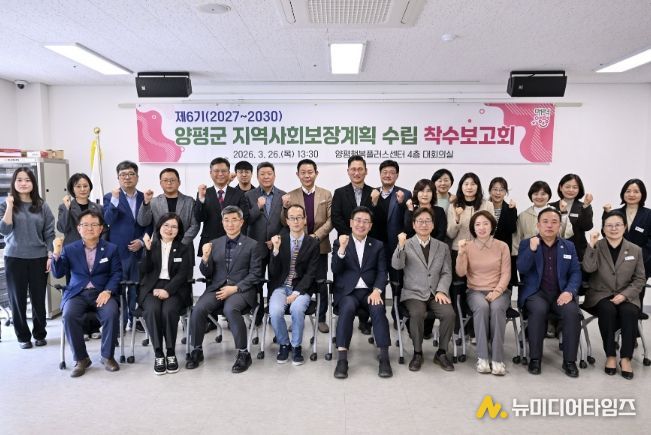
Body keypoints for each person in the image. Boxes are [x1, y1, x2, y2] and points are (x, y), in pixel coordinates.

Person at [186, 206, 262, 373]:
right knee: (198, 308)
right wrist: (205, 258)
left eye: (234, 220)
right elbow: (207, 273)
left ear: (241, 222)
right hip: (217, 288)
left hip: (241, 290)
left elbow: (256, 274)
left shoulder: (253, 245)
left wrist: (235, 288)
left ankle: (243, 353)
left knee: (230, 309)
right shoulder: (215, 243)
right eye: (226, 220)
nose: (230, 224)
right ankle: (197, 349)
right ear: (222, 222)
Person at [51, 210, 122, 377]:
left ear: (101, 228)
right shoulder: (70, 249)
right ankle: (81, 359)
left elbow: (117, 273)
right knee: (69, 315)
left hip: (102, 292)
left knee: (111, 313)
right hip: (77, 293)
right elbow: (58, 273)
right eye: (85, 225)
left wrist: (108, 291)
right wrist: (56, 252)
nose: (90, 228)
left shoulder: (111, 249)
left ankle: (107, 356)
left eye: (94, 225)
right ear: (79, 228)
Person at [517, 207, 582, 378]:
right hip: (536, 293)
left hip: (561, 293)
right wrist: (531, 250)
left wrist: (570, 291)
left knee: (572, 312)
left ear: (559, 226)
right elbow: (522, 268)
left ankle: (570, 361)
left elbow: (575, 272)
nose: (549, 225)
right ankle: (535, 358)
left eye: (554, 222)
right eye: (545, 222)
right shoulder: (527, 243)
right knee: (538, 310)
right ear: (538, 225)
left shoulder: (568, 246)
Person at [582, 211, 645, 380]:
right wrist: (591, 245)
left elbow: (640, 279)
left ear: (625, 227)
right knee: (607, 309)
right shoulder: (597, 246)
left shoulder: (635, 249)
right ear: (603, 228)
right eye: (609, 225)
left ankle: (625, 358)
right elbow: (588, 268)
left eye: (618, 225)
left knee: (629, 312)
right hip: (600, 295)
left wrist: (624, 295)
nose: (614, 228)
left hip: (627, 295)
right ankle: (610, 355)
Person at [331, 206, 392, 379]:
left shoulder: (377, 245)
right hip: (347, 293)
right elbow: (335, 269)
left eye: (366, 222)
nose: (361, 224)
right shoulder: (340, 242)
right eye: (358, 220)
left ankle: (384, 358)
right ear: (351, 223)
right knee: (347, 308)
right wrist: (342, 249)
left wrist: (377, 290)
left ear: (370, 226)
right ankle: (342, 359)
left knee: (378, 308)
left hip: (369, 292)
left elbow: (382, 272)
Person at [392, 207, 455, 372]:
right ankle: (417, 352)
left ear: (433, 225)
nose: (424, 224)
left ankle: (441, 353)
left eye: (428, 221)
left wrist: (441, 290)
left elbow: (447, 272)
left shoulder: (442, 247)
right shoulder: (406, 244)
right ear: (413, 225)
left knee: (449, 314)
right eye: (420, 221)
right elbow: (397, 265)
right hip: (413, 293)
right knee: (417, 313)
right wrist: (400, 246)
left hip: (435, 293)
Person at [0, 167, 55, 349]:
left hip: (39, 258)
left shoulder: (42, 205)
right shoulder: (6, 205)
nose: (23, 183)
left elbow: (49, 233)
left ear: (33, 183)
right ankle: (23, 336)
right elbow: (4, 230)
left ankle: (40, 333)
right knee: (17, 299)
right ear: (14, 183)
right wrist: (10, 206)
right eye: (19, 180)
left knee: (39, 298)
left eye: (27, 180)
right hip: (14, 258)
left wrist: (50, 254)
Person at [455, 210, 511, 376]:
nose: (482, 227)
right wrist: (461, 253)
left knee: (497, 308)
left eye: (485, 224)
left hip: (499, 291)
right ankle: (483, 357)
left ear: (492, 226)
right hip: (475, 291)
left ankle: (498, 359)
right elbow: (460, 272)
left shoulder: (502, 246)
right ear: (473, 228)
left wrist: (497, 292)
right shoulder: (468, 246)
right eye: (477, 224)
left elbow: (506, 273)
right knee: (482, 307)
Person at [281, 159, 333, 333]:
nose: (307, 175)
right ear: (298, 174)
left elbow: (331, 220)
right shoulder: (290, 196)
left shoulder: (326, 194)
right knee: (297, 281)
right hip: (297, 247)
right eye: (303, 172)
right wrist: (284, 207)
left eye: (310, 172)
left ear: (316, 173)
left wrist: (315, 237)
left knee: (320, 282)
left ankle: (321, 318)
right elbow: (285, 221)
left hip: (320, 245)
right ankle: (297, 316)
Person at [139, 213, 194, 375]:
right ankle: (158, 353)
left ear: (179, 230)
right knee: (152, 310)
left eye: (174, 226)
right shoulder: (152, 245)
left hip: (175, 288)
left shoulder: (184, 248)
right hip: (152, 287)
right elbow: (144, 270)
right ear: (159, 227)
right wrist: (147, 250)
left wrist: (168, 290)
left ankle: (170, 352)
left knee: (169, 311)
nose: (170, 229)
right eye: (166, 225)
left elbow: (183, 274)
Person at [268, 204, 320, 365]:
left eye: (299, 218)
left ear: (305, 220)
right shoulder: (280, 240)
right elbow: (273, 272)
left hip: (302, 288)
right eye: (292, 218)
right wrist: (275, 250)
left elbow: (311, 273)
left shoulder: (313, 243)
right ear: (287, 221)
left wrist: (296, 293)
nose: (296, 221)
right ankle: (284, 344)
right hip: (281, 287)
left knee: (297, 309)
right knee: (275, 311)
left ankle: (296, 346)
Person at [331, 155, 376, 335]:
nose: (357, 172)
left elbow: (377, 219)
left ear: (366, 171)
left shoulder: (374, 192)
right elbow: (336, 217)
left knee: (365, 282)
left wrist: (375, 203)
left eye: (360, 169)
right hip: (346, 244)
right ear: (348, 171)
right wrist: (351, 236)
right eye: (353, 169)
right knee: (346, 279)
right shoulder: (340, 192)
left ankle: (364, 320)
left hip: (368, 244)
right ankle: (343, 319)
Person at [103, 160, 150, 331]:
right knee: (119, 288)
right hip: (118, 252)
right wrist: (115, 200)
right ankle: (120, 322)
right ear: (118, 178)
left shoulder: (144, 197)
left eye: (131, 174)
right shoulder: (110, 197)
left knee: (137, 287)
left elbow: (150, 224)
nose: (127, 177)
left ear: (137, 177)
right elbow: (106, 221)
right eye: (123, 175)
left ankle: (136, 320)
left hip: (138, 252)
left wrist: (141, 242)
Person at [446, 172, 494, 336]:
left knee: (477, 290)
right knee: (458, 291)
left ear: (478, 187)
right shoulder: (454, 205)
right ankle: (458, 328)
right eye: (466, 184)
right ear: (461, 187)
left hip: (481, 254)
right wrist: (457, 218)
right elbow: (450, 233)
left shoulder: (487, 205)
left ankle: (475, 329)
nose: (469, 187)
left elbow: (492, 230)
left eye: (473, 184)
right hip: (458, 252)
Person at [244, 162, 286, 326]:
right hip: (256, 247)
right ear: (257, 176)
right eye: (262, 174)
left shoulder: (283, 196)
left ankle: (273, 314)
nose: (266, 177)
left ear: (274, 175)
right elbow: (246, 220)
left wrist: (277, 239)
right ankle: (258, 314)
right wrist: (257, 207)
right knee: (257, 282)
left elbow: (287, 223)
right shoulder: (249, 196)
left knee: (276, 281)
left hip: (276, 246)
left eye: (269, 173)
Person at [604, 178, 651, 308]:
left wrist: (638, 257)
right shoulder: (616, 213)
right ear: (623, 193)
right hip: (617, 261)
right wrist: (606, 215)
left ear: (642, 194)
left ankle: (636, 314)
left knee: (636, 293)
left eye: (636, 191)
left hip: (642, 261)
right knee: (617, 294)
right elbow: (606, 234)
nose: (631, 194)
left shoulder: (648, 214)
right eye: (628, 191)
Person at [195, 157, 249, 257]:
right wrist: (201, 199)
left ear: (228, 173)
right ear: (210, 173)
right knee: (209, 267)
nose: (220, 174)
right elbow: (199, 218)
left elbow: (244, 218)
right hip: (210, 241)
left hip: (234, 241)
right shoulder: (204, 192)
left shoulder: (239, 194)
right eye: (216, 171)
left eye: (224, 171)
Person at [137, 168, 199, 246]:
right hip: (159, 246)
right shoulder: (154, 201)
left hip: (184, 246)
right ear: (160, 183)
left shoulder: (189, 201)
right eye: (165, 180)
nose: (169, 183)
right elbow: (143, 222)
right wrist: (146, 202)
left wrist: (182, 242)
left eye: (172, 180)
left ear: (179, 182)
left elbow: (195, 225)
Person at [512, 180, 573, 257]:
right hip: (530, 255)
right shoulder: (523, 215)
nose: (539, 197)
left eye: (543, 194)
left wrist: (563, 214)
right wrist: (517, 256)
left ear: (549, 196)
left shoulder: (556, 213)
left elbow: (566, 233)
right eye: (536, 194)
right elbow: (517, 238)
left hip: (553, 254)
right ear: (531, 196)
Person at [549, 174, 594, 261]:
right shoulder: (551, 206)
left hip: (577, 252)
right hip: (554, 251)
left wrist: (586, 206)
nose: (571, 190)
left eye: (575, 187)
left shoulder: (584, 206)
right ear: (561, 187)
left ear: (579, 189)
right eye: (567, 187)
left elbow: (587, 227)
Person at [57, 173, 104, 246]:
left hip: (94, 248)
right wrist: (67, 209)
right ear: (72, 189)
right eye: (78, 186)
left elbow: (103, 230)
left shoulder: (98, 208)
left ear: (90, 188)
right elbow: (62, 228)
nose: (82, 189)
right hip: (73, 248)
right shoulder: (64, 207)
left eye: (85, 186)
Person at [488, 177, 518, 287]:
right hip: (485, 250)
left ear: (506, 192)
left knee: (504, 283)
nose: (498, 193)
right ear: (490, 191)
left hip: (503, 252)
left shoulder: (510, 208)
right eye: (495, 189)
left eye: (501, 190)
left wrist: (512, 211)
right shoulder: (483, 206)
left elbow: (512, 229)